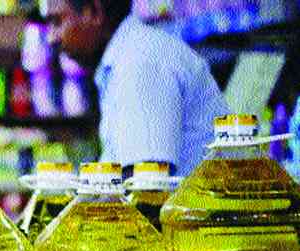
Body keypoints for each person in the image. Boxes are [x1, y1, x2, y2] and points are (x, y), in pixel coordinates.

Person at [43, 0, 231, 177]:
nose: (51, 38)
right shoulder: (128, 56)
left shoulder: (140, 61)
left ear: (94, 12)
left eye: (57, 22)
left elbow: (146, 187)